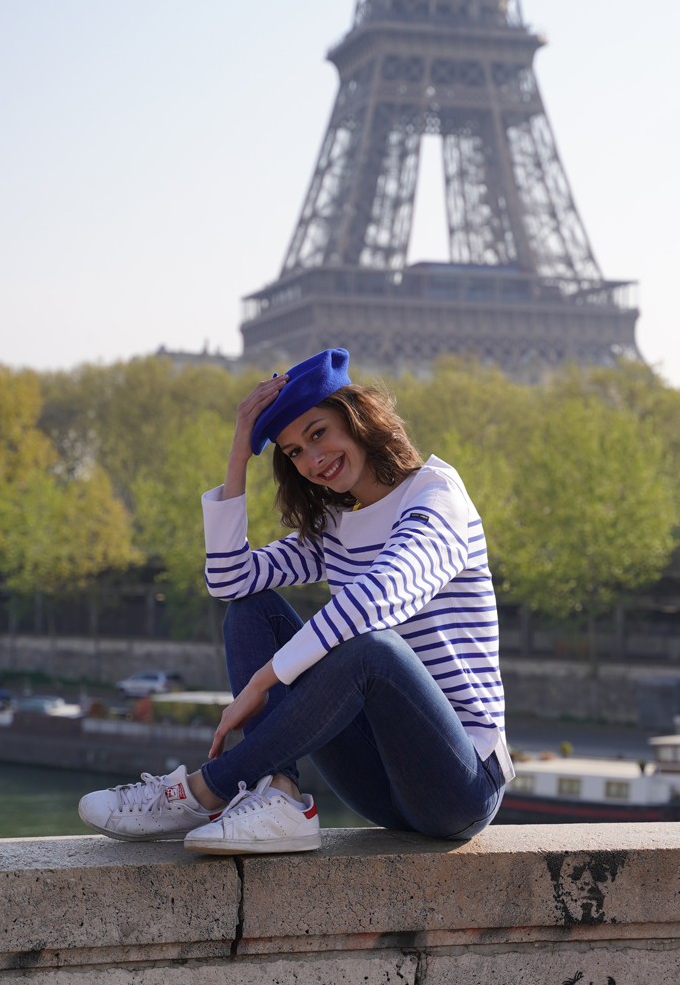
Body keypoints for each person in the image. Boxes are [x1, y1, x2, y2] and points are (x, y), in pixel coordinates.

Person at [79, 347, 513, 854]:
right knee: (252, 609)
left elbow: (380, 597)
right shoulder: (335, 526)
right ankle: (278, 793)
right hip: (378, 787)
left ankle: (205, 789)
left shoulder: (436, 495)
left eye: (317, 433)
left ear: (359, 419)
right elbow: (230, 580)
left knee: (372, 650)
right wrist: (240, 452)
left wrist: (265, 680)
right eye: (292, 452)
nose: (312, 460)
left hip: (459, 784)